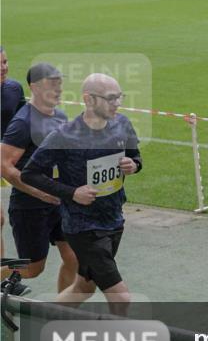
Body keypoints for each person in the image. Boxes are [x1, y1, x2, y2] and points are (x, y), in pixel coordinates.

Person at [21, 73, 141, 312]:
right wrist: (71, 192)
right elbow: (30, 173)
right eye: (110, 98)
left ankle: (39, 320)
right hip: (84, 228)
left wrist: (134, 165)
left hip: (114, 220)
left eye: (119, 97)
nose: (117, 103)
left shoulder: (122, 124)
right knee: (121, 298)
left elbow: (135, 156)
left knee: (83, 288)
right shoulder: (65, 136)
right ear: (88, 99)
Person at [1, 63, 77, 293]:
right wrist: (38, 192)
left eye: (59, 84)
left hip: (58, 202)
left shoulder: (61, 117)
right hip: (30, 206)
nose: (58, 89)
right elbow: (4, 165)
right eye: (52, 84)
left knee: (74, 257)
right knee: (33, 269)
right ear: (34, 87)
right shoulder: (23, 123)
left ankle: (63, 312)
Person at [1, 46, 28, 293]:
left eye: (5, 61)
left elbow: (24, 118)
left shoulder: (13, 88)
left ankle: (1, 281)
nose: (4, 67)